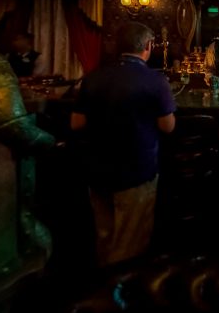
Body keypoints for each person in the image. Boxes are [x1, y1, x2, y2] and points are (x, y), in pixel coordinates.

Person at [70, 21, 176, 267]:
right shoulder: (154, 80)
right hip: (136, 171)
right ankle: (120, 286)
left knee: (104, 236)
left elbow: (76, 123)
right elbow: (168, 126)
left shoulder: (94, 77)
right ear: (148, 46)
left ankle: (102, 284)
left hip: (97, 169)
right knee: (130, 243)